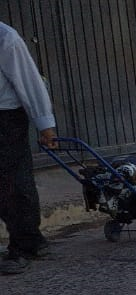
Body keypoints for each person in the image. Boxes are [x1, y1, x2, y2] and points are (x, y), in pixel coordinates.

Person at [0, 20, 57, 275]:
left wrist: (44, 125)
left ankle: (24, 245)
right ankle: (31, 240)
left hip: (6, 118)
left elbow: (29, 81)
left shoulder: (5, 37)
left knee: (13, 182)